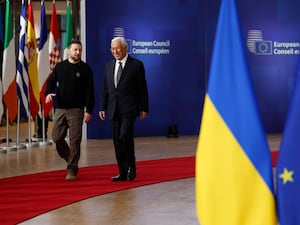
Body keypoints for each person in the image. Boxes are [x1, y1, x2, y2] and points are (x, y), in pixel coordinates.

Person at [99, 36, 149, 181]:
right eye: (112, 49)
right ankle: (122, 172)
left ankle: (131, 168)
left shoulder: (136, 65)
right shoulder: (108, 66)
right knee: (117, 141)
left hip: (129, 109)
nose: (115, 51)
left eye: (118, 48)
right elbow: (106, 89)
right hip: (113, 109)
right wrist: (103, 107)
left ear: (125, 48)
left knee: (124, 137)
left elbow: (142, 89)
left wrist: (144, 107)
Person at [46, 39, 95, 181]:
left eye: (80, 50)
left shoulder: (86, 69)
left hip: (77, 110)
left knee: (75, 140)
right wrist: (48, 93)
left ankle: (72, 169)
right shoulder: (60, 67)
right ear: (68, 51)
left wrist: (89, 110)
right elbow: (50, 82)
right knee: (56, 137)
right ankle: (69, 157)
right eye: (75, 50)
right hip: (60, 108)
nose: (78, 52)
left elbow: (89, 92)